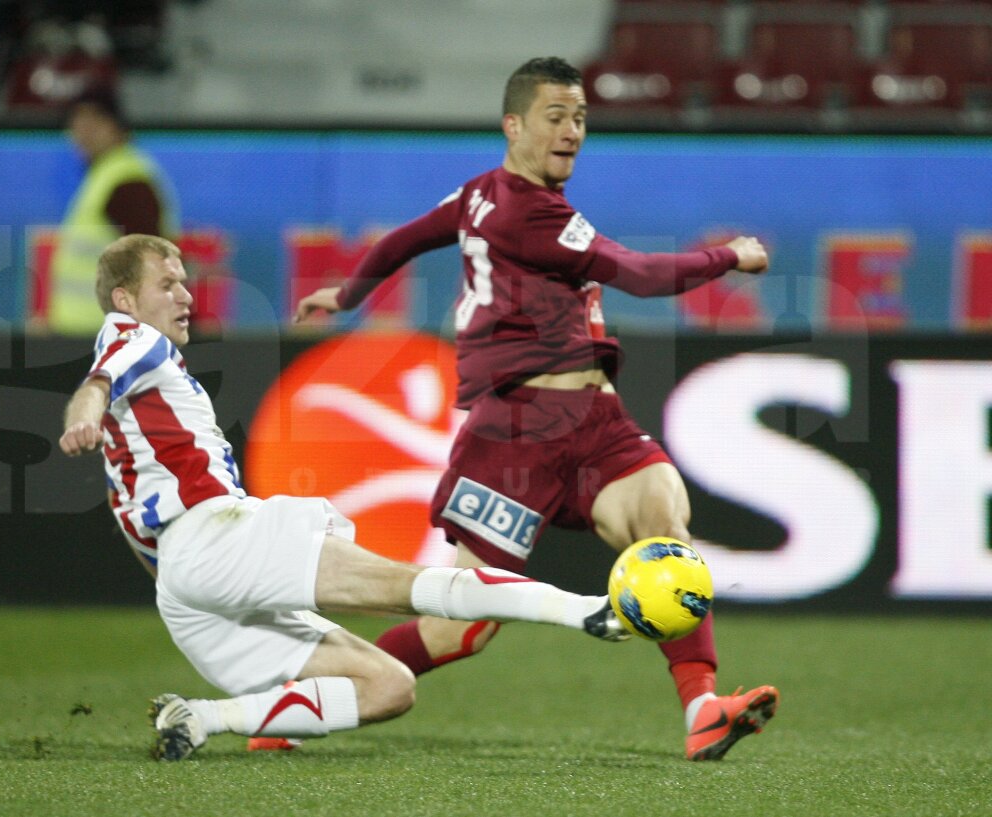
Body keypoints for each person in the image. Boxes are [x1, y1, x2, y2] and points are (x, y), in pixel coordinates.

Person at [296, 56, 779, 762]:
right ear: (513, 124)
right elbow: (642, 275)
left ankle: (703, 707)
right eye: (556, 116)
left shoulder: (481, 195)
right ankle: (298, 696)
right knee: (459, 627)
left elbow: (406, 237)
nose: (573, 131)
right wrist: (728, 256)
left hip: (595, 424)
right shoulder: (530, 214)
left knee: (663, 527)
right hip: (516, 436)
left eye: (580, 117)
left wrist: (347, 292)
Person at [59, 233, 631, 759]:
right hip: (216, 539)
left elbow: (134, 518)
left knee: (388, 686)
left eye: (185, 280)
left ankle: (203, 718)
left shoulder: (144, 402)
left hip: (185, 586)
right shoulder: (133, 339)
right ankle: (588, 610)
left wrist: (182, 584)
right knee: (423, 589)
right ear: (125, 299)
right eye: (167, 284)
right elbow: (98, 383)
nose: (185, 294)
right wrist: (83, 415)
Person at [47, 84, 179, 336]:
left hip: (113, 342)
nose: (83, 131)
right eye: (77, 120)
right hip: (91, 338)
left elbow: (153, 265)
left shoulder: (126, 182)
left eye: (95, 120)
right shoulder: (103, 178)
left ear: (117, 126)